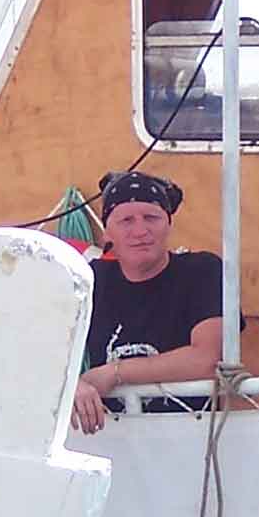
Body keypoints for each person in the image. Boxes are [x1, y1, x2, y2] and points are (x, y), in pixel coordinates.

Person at [73, 172, 224, 435]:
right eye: (126, 220)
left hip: (193, 439)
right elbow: (42, 349)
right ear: (108, 231)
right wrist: (72, 385)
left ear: (168, 223)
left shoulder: (202, 271)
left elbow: (206, 360)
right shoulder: (88, 280)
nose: (140, 231)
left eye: (151, 218)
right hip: (108, 439)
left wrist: (113, 373)